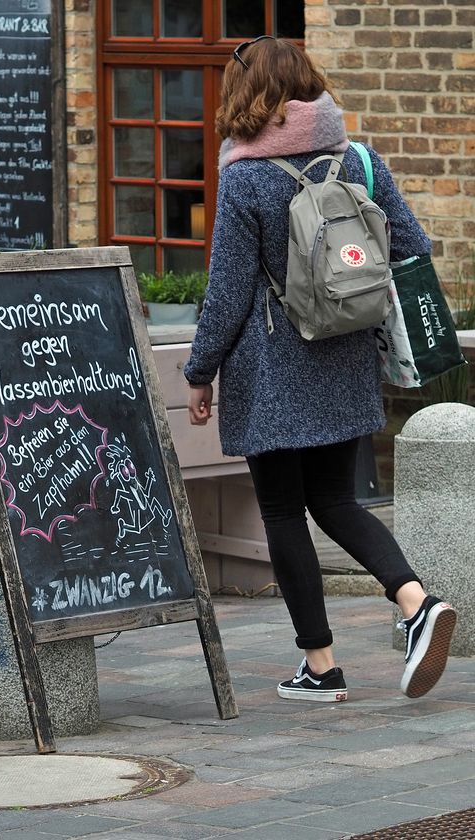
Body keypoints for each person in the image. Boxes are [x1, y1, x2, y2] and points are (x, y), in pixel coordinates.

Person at [184, 37, 456, 703]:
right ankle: (416, 602)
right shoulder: (359, 161)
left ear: (247, 95)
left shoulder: (245, 176)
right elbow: (412, 250)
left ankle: (321, 665)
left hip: (270, 368)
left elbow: (225, 293)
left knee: (282, 508)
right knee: (336, 499)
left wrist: (199, 372)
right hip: (347, 357)